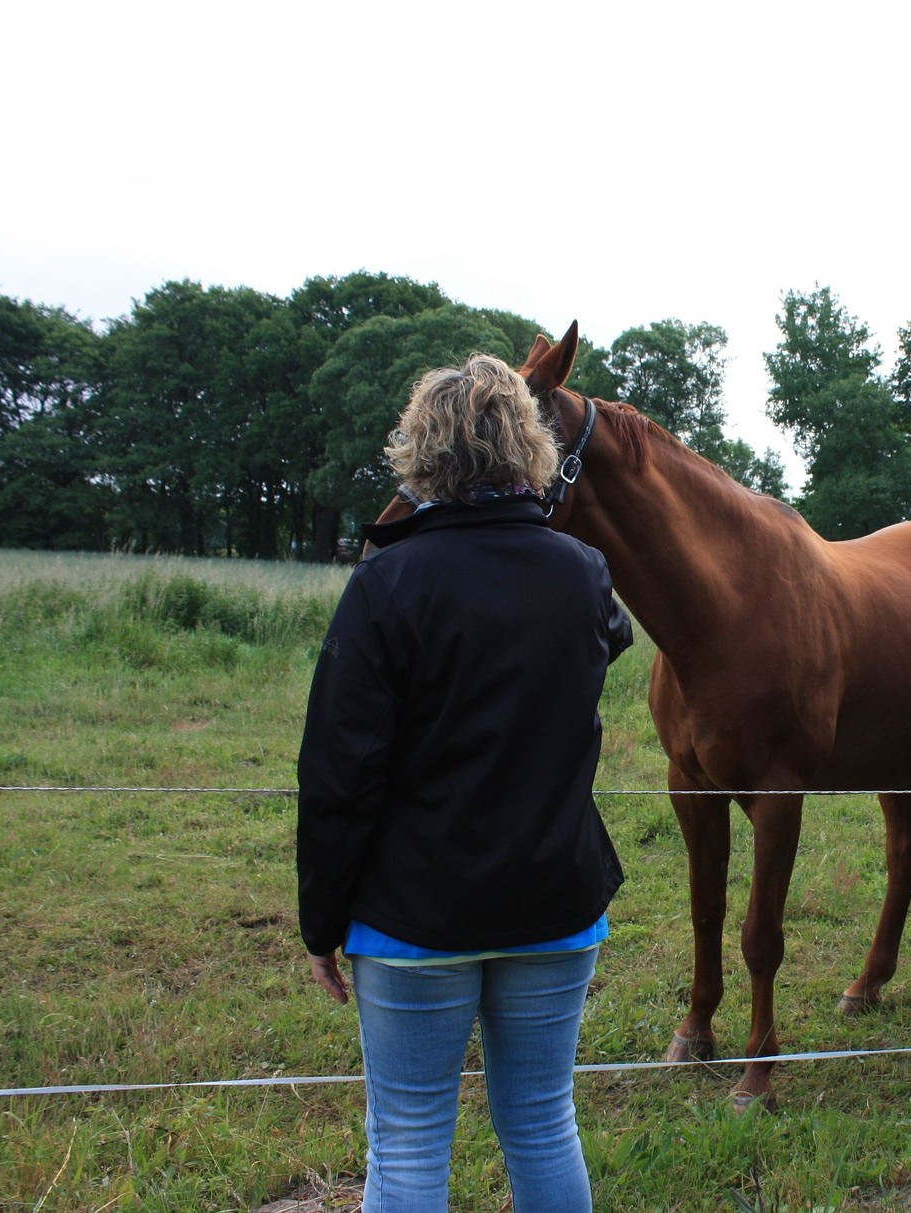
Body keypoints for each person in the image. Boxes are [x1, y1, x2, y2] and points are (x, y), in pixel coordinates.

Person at [296, 352, 631, 1213]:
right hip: (555, 903)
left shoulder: (387, 581)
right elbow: (610, 638)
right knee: (542, 1120)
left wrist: (320, 923)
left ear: (423, 450)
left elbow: (340, 772)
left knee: (407, 1138)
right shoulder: (583, 572)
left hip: (414, 916)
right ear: (527, 446)